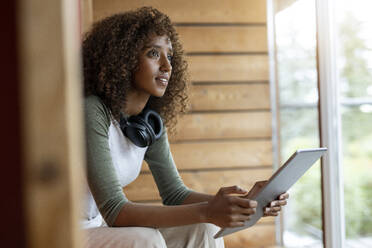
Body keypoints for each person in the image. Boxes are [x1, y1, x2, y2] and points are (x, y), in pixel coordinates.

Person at [82, 6, 288, 248]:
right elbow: (116, 211)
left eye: (169, 56)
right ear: (123, 58)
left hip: (101, 228)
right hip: (65, 231)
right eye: (153, 53)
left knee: (207, 229)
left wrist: (246, 204)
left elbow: (175, 195)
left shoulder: (149, 121)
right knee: (145, 240)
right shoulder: (92, 110)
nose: (167, 67)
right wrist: (208, 211)